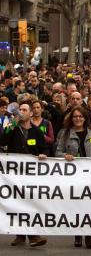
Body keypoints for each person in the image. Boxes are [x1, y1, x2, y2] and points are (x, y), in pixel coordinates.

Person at [55, 106, 91, 249]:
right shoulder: (65, 133)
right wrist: (65, 156)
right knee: (76, 205)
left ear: (85, 118)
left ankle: (89, 235)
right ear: (71, 119)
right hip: (74, 176)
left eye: (80, 116)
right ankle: (77, 234)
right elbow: (58, 152)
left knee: (89, 206)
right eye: (75, 116)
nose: (78, 119)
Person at [0, 101, 48, 247]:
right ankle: (22, 236)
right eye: (19, 109)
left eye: (24, 110)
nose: (21, 111)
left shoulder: (37, 131)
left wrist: (42, 155)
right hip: (15, 174)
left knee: (29, 203)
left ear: (31, 113)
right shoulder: (12, 128)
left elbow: (45, 149)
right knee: (17, 203)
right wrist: (12, 124)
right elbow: (2, 140)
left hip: (31, 175)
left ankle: (31, 235)